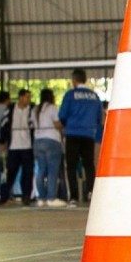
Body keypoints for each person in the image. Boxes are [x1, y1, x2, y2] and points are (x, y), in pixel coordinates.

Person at [57, 69, 103, 207]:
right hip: (89, 135)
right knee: (89, 165)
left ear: (74, 80)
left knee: (71, 166)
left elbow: (62, 115)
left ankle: (74, 197)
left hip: (73, 134)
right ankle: (91, 192)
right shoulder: (94, 96)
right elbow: (99, 118)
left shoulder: (70, 95)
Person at [0, 89, 35, 206]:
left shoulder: (32, 109)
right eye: (27, 97)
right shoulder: (10, 109)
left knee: (28, 173)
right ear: (20, 97)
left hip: (28, 147)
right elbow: (3, 125)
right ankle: (4, 197)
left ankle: (26, 196)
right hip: (13, 147)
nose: (29, 99)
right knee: (10, 173)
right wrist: (2, 141)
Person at [33, 89, 65, 207]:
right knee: (52, 170)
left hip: (38, 141)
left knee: (41, 170)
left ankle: (41, 198)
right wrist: (63, 126)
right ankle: (51, 198)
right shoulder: (52, 108)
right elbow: (57, 124)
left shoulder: (35, 109)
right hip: (52, 140)